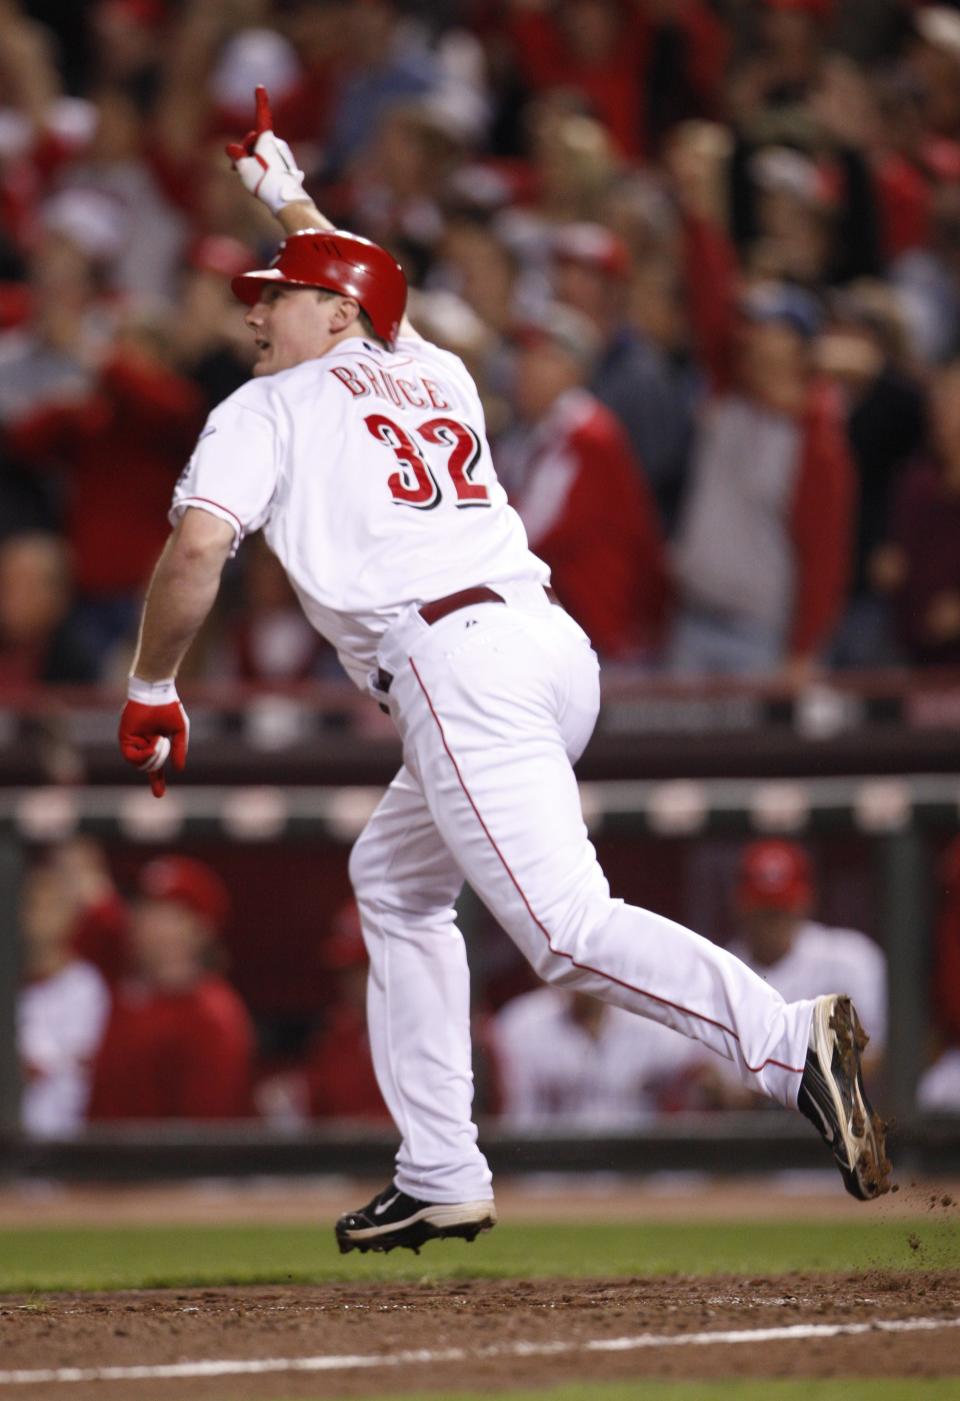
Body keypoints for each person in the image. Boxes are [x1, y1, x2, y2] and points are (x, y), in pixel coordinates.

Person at [117, 88, 890, 1254]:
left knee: (562, 930)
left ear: (333, 312)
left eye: (273, 297)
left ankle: (788, 1044)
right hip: (543, 648)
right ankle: (439, 1168)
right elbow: (369, 286)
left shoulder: (265, 404)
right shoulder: (434, 370)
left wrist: (150, 686)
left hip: (452, 661)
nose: (254, 317)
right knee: (393, 876)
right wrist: (285, 192)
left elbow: (196, 551)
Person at [87, 855, 253, 1121]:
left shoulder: (213, 1015)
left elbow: (207, 1130)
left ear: (201, 928)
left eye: (169, 915)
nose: (148, 924)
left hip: (160, 1160)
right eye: (144, 909)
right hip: (89, 1156)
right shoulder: (119, 986)